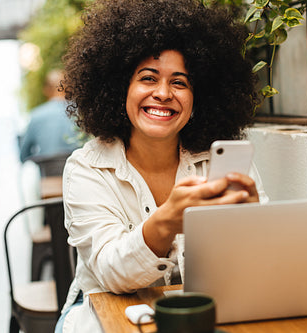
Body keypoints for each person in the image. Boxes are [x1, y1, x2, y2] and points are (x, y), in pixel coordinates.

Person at [56, 0, 269, 332]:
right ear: (119, 88)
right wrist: (166, 221)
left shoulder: (220, 160)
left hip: (196, 312)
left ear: (200, 97)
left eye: (180, 82)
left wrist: (254, 223)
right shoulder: (87, 168)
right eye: (148, 78)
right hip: (104, 315)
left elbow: (259, 264)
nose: (163, 93)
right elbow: (112, 273)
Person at [19, 69, 81, 162]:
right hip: (77, 173)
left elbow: (24, 155)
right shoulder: (80, 112)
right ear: (68, 88)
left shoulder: (36, 115)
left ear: (46, 90)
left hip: (47, 174)